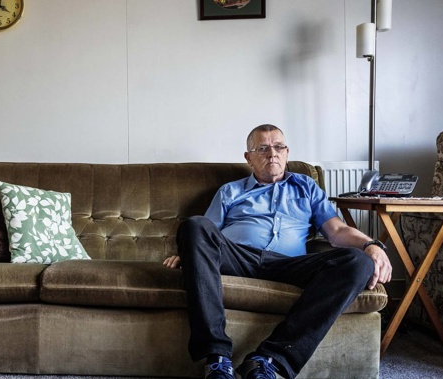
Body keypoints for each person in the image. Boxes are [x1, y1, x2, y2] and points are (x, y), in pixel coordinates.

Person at [163, 124, 392, 379]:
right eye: (262, 148)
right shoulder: (230, 191)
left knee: (359, 262)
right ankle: (217, 358)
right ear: (248, 158)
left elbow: (336, 231)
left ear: (287, 152)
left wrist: (372, 244)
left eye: (278, 147)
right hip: (238, 259)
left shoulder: (306, 187)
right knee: (194, 224)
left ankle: (268, 359)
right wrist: (189, 252)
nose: (272, 153)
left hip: (289, 265)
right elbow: (205, 234)